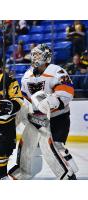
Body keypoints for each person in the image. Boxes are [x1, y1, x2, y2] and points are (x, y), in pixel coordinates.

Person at [8, 44, 78, 180]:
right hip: (38, 119)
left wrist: (49, 103)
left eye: (38, 54)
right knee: (30, 148)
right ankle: (25, 172)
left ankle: (69, 175)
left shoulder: (57, 71)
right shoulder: (27, 75)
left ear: (47, 56)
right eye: (33, 54)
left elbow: (66, 92)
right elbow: (25, 98)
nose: (35, 57)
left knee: (57, 146)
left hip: (58, 116)